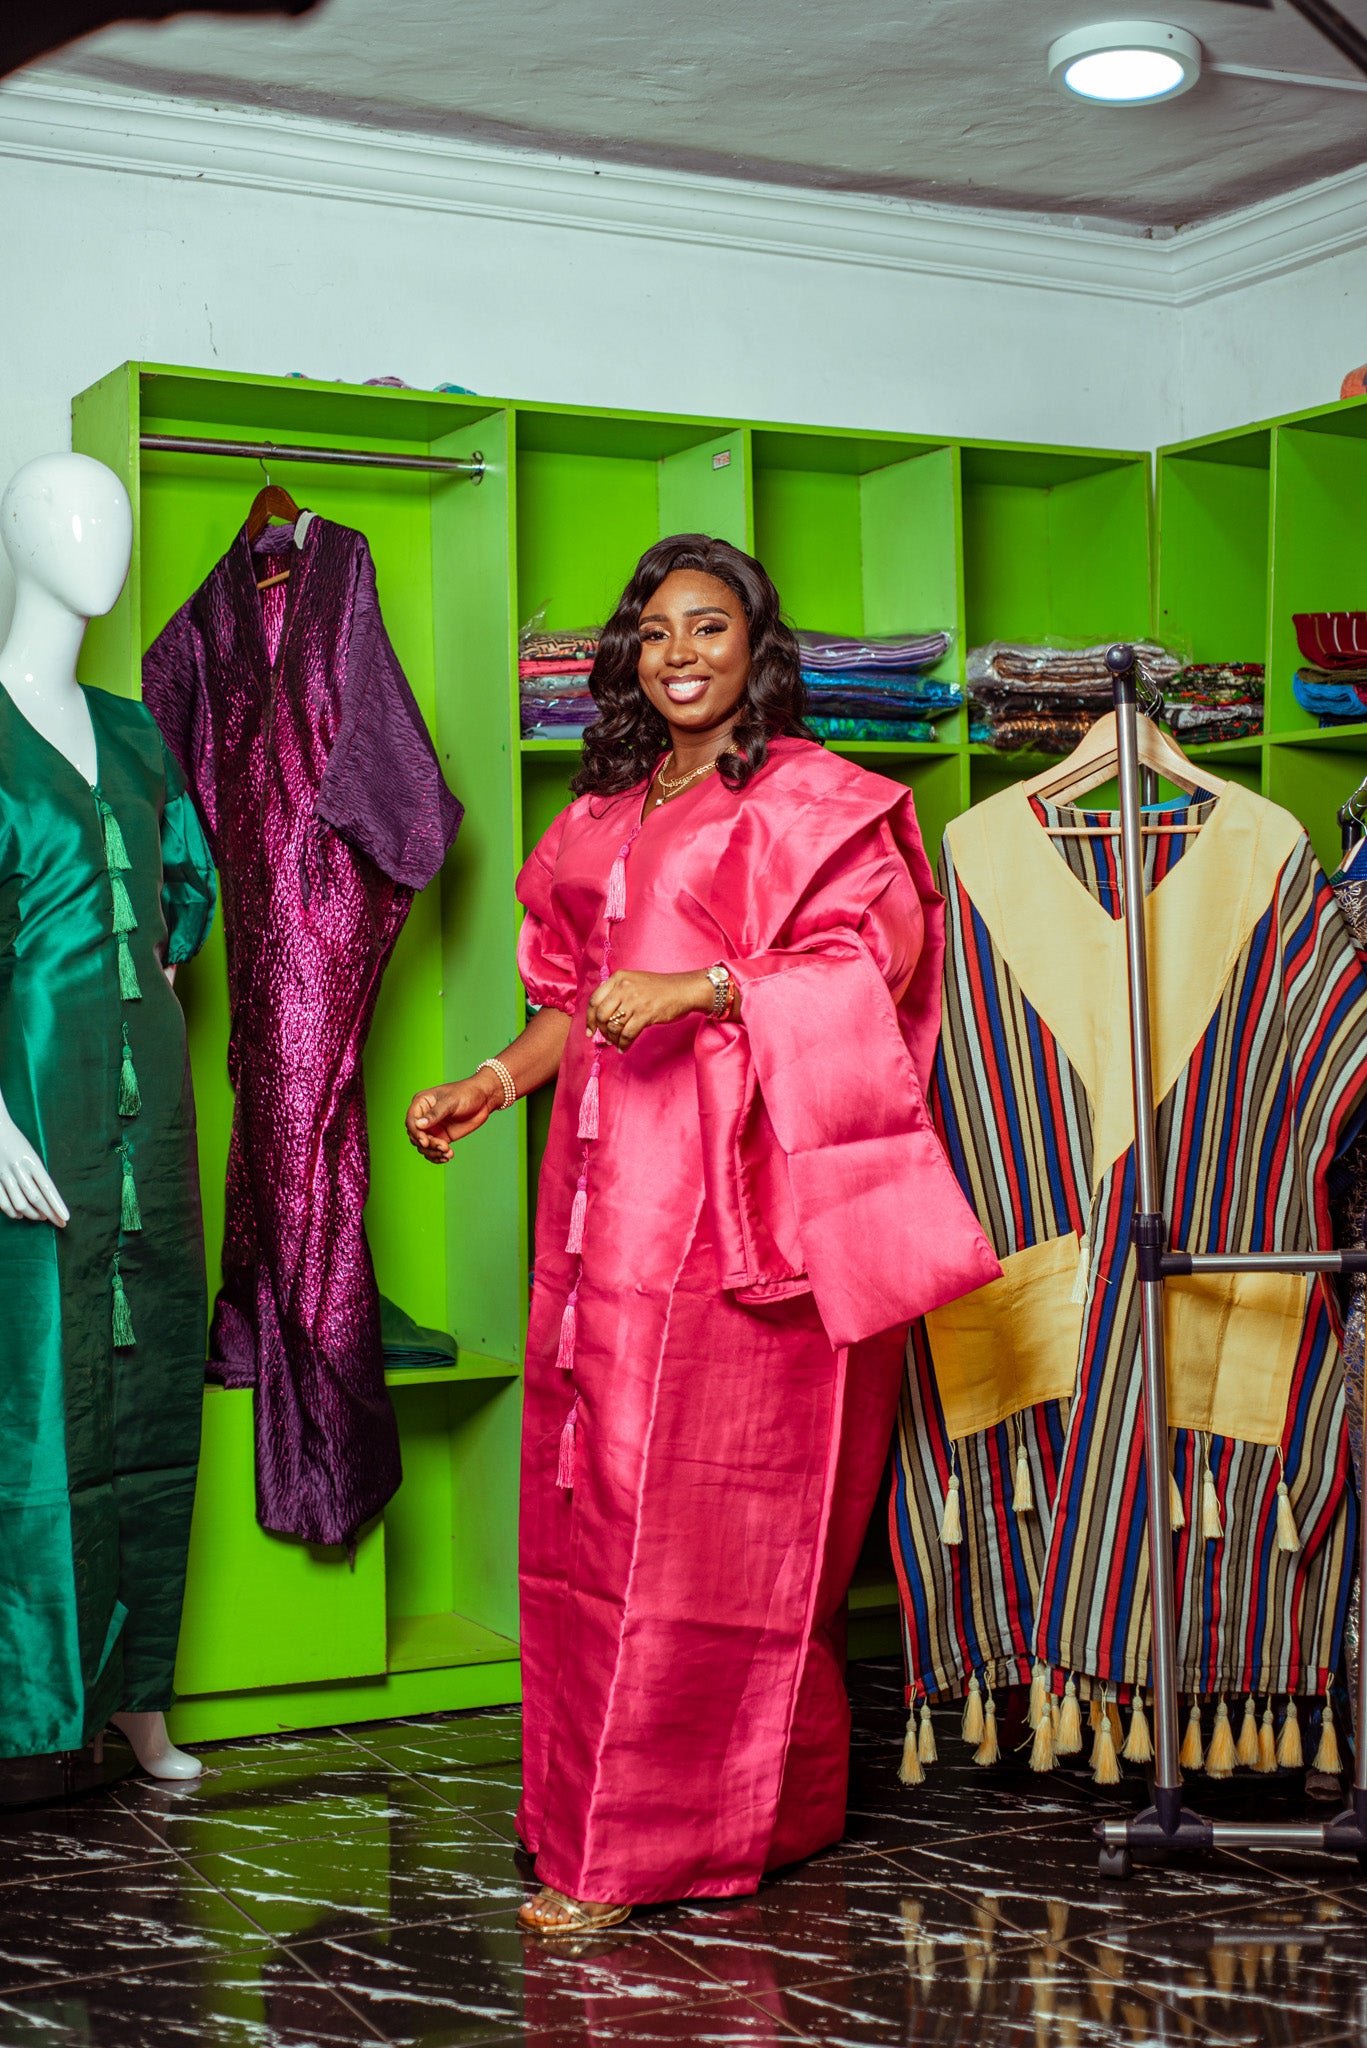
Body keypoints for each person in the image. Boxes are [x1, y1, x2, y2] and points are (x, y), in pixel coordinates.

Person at [405, 535, 996, 1934]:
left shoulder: (809, 803)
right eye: (656, 630)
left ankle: (649, 1847)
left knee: (711, 1530)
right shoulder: (603, 811)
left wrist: (707, 988)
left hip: (739, 1219)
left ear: (755, 649)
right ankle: (599, 1809)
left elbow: (872, 966)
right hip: (602, 1214)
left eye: (710, 627)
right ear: (628, 656)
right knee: (587, 1512)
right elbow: (574, 996)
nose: (680, 653)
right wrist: (492, 1083)